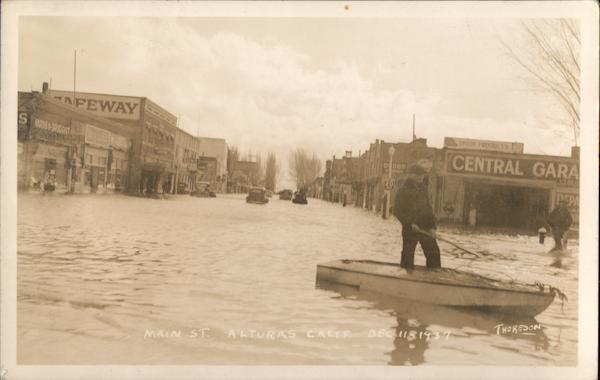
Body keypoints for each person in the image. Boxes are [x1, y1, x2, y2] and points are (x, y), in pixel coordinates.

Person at [393, 164, 441, 269]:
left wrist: (432, 227)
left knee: (433, 252)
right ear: (410, 175)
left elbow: (428, 209)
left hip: (425, 227)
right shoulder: (403, 190)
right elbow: (396, 210)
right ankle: (405, 276)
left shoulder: (424, 189)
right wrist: (410, 223)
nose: (421, 177)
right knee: (408, 254)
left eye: (422, 175)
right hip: (410, 228)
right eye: (418, 175)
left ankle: (435, 276)